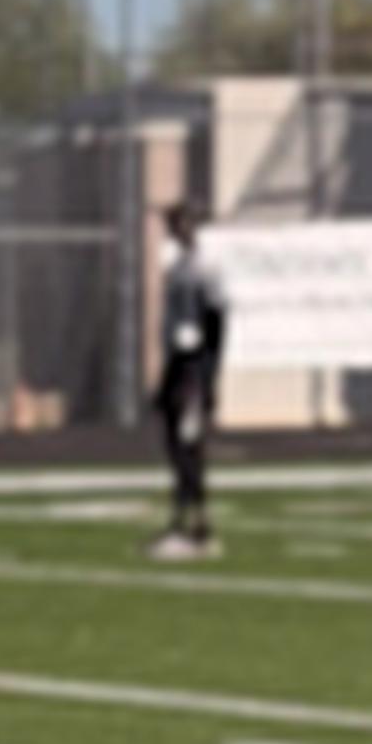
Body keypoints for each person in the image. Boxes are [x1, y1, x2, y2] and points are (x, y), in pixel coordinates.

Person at [148, 194, 228, 557]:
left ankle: (193, 524)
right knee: (176, 446)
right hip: (178, 366)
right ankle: (189, 521)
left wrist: (208, 377)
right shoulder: (178, 265)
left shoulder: (204, 267)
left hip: (193, 368)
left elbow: (216, 323)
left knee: (188, 448)